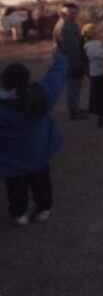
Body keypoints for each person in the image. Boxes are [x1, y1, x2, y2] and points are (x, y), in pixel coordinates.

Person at [1, 52, 67, 226]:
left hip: (11, 158)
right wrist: (60, 58)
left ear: (5, 84)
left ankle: (20, 214)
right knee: (41, 182)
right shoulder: (42, 95)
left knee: (15, 186)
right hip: (38, 151)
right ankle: (43, 210)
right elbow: (56, 76)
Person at [53, 3, 87, 120]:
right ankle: (74, 112)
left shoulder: (69, 24)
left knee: (75, 86)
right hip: (70, 60)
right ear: (63, 13)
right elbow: (71, 49)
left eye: (75, 13)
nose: (74, 15)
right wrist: (77, 65)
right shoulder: (65, 27)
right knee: (73, 85)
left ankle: (75, 108)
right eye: (71, 13)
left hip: (69, 59)